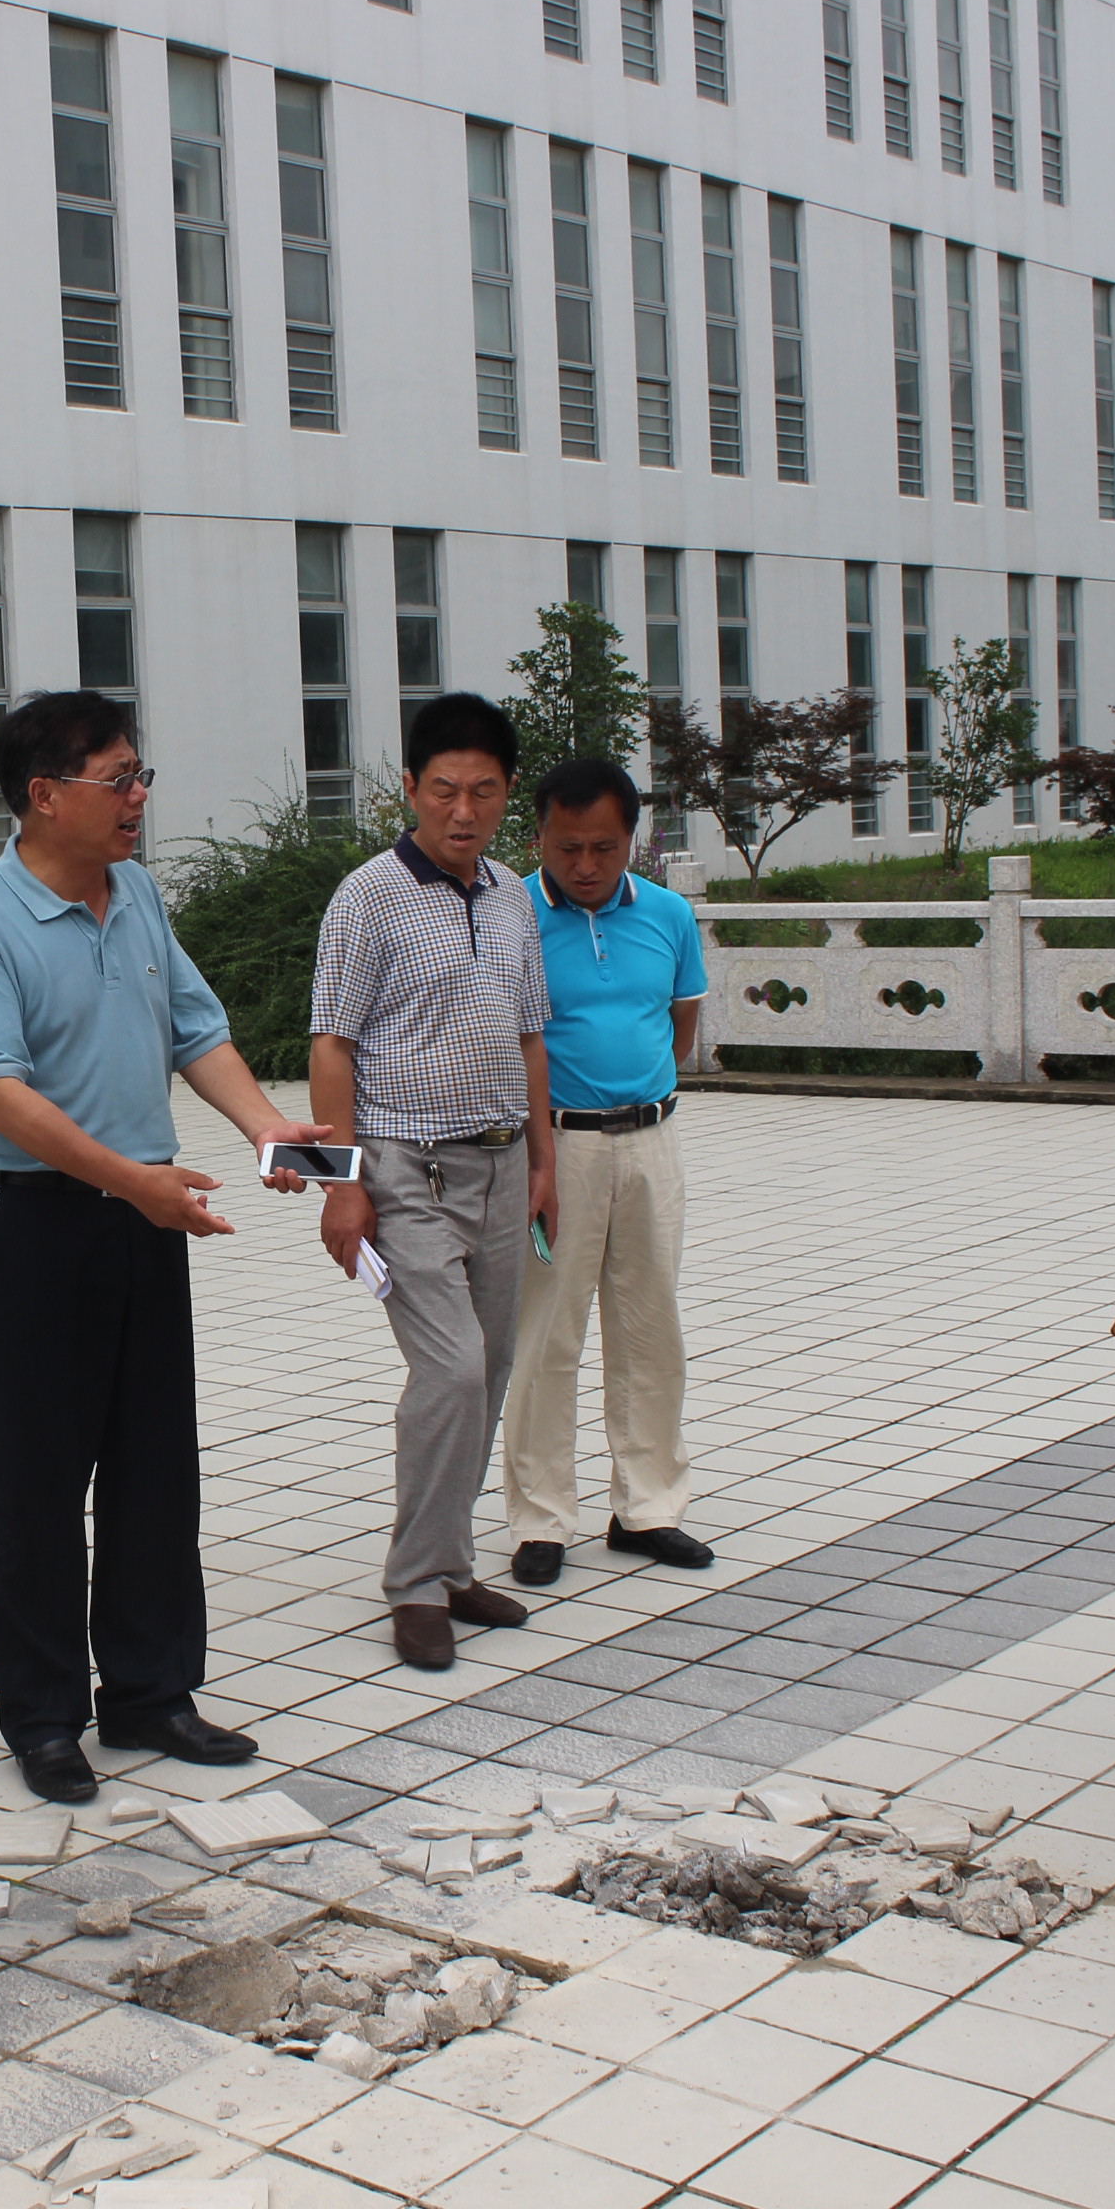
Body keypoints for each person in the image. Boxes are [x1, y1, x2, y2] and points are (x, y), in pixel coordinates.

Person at [0, 692, 338, 1805]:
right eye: (118, 780)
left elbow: (195, 1029)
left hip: (146, 1215)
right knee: (38, 1480)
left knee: (156, 1463)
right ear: (44, 795)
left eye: (140, 776)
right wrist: (130, 1181)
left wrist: (267, 1128)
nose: (138, 798)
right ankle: (45, 1717)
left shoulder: (137, 894)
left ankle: (152, 1692)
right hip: (33, 1222)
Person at [309, 692, 558, 1671]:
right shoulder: (367, 896)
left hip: (502, 1161)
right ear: (410, 788)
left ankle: (452, 1566)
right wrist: (342, 1184)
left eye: (484, 792)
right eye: (445, 790)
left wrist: (543, 1160)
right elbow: (331, 1046)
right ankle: (414, 1584)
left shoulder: (510, 895)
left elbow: (530, 1034)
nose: (463, 811)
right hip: (405, 1166)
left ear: (507, 793)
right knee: (450, 1368)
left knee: (488, 1372)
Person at [498, 758, 711, 1588]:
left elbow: (680, 1025)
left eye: (604, 848)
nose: (585, 866)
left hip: (652, 1139)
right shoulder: (510, 916)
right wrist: (538, 1155)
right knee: (546, 1333)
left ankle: (648, 1507)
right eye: (567, 848)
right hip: (555, 1150)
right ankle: (541, 1518)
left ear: (632, 841)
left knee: (651, 1327)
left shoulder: (668, 915)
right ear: (538, 838)